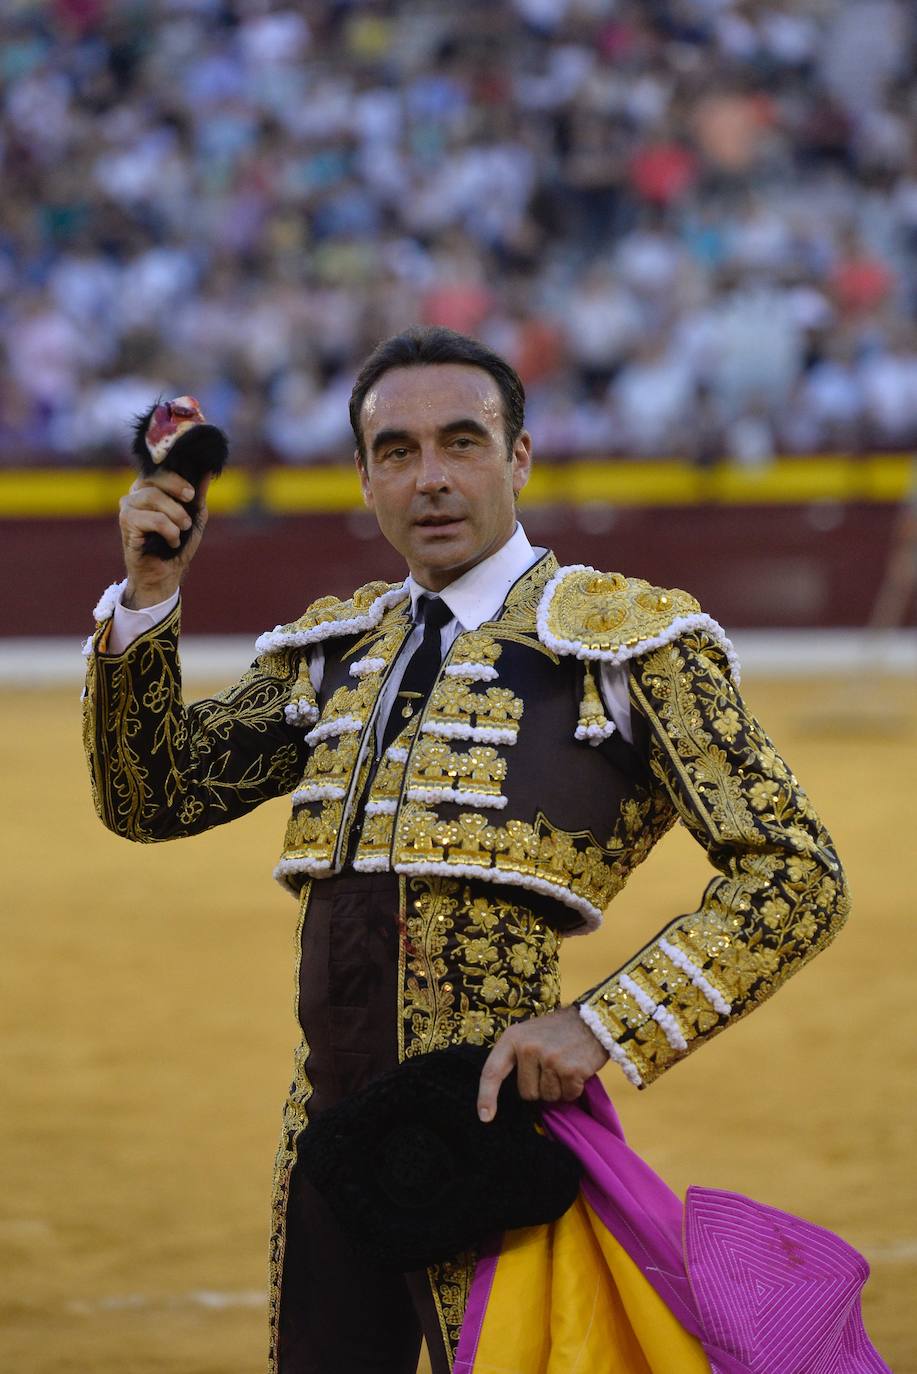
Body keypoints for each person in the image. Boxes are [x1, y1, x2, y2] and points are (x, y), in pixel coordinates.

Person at [82, 326, 850, 1374]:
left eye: (462, 442)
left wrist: (600, 1024)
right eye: (396, 452)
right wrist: (147, 601)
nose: (430, 479)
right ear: (363, 479)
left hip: (495, 1123)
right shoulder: (340, 647)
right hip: (331, 1131)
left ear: (519, 458)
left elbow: (794, 874)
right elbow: (152, 797)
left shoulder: (625, 644)